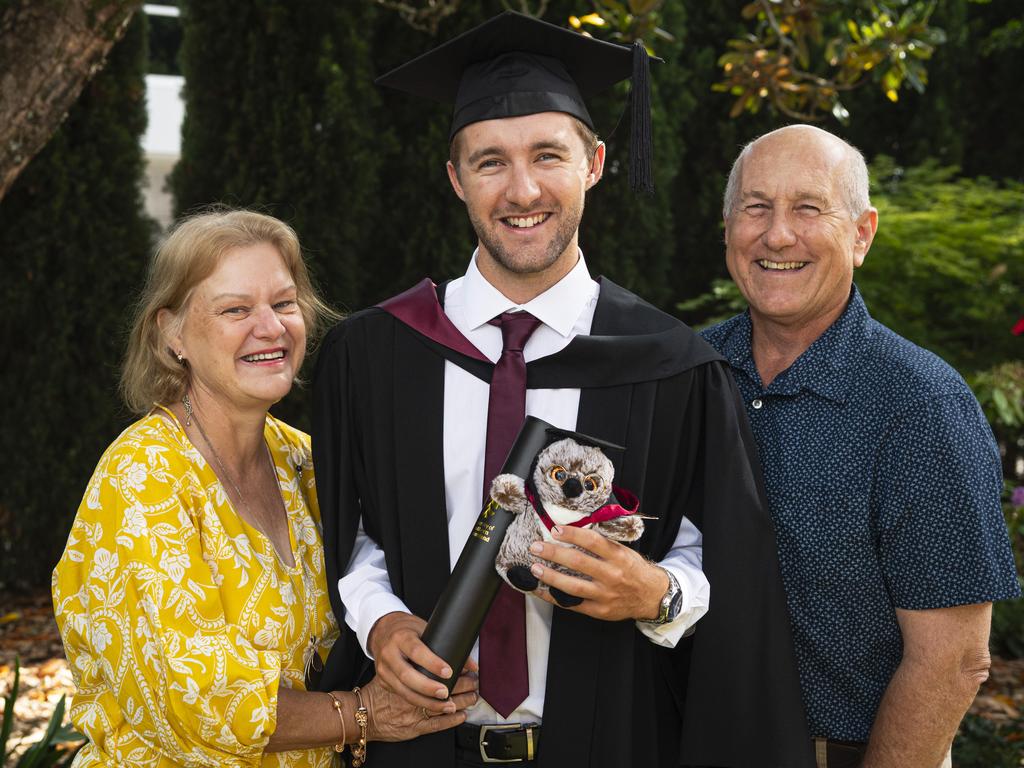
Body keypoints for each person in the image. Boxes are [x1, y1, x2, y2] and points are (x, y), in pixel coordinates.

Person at [313, 12, 813, 768]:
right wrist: (381, 622)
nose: (522, 189)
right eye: (489, 161)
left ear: (596, 162)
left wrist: (656, 595)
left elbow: (723, 565)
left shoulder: (668, 365)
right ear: (455, 178)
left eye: (549, 155)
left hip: (611, 741)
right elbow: (351, 536)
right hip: (416, 746)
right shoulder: (377, 354)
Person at [51, 209, 477, 768]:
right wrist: (364, 715)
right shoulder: (143, 478)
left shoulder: (300, 459)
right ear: (172, 332)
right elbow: (200, 702)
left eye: (283, 303)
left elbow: (374, 576)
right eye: (235, 310)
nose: (272, 327)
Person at [701, 124, 1022, 768]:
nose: (778, 235)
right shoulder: (689, 371)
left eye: (809, 209)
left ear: (862, 234)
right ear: (729, 227)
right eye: (756, 208)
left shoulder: (921, 406)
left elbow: (954, 660)